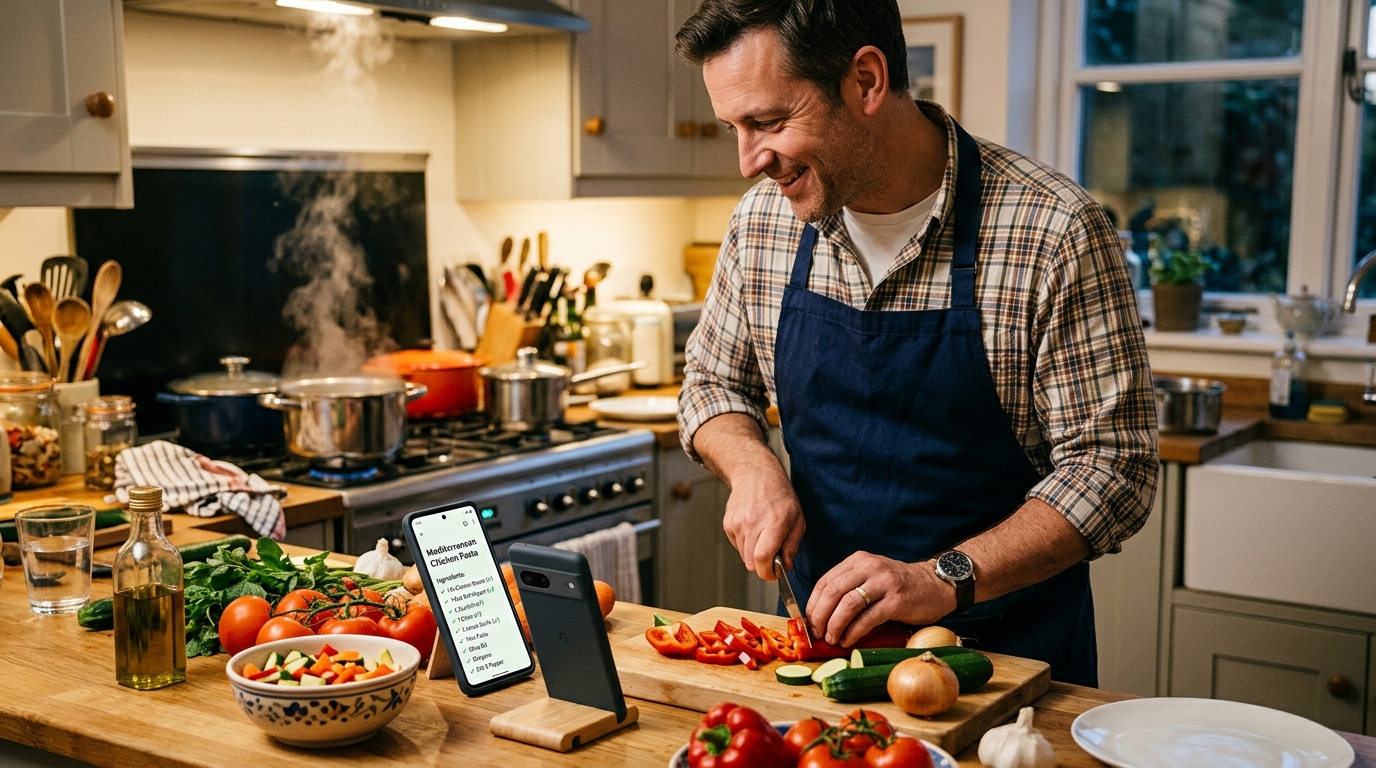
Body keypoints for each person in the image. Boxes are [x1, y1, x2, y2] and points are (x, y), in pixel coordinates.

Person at [674, 0, 1158, 687]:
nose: (749, 161)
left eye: (770, 122)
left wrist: (941, 577)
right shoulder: (763, 224)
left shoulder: (1053, 230)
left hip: (1007, 665)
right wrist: (752, 467)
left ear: (866, 81)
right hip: (824, 657)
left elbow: (1113, 470)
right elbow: (712, 383)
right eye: (735, 128)